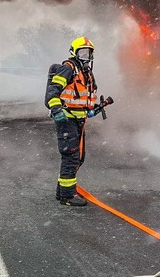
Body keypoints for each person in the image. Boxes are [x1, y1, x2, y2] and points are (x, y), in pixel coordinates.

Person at [45, 36, 99, 207]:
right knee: (71, 156)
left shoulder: (87, 74)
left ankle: (61, 191)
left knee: (78, 157)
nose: (86, 56)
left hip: (79, 120)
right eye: (82, 52)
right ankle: (68, 196)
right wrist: (56, 109)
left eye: (88, 53)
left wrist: (92, 109)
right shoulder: (68, 69)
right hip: (66, 119)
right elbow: (52, 92)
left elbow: (83, 98)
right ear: (74, 53)